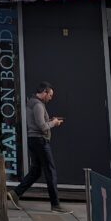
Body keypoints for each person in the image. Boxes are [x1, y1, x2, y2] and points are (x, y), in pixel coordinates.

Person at [12, 81, 69, 213]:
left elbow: (39, 123)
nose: (51, 98)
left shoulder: (32, 103)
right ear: (44, 92)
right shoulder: (38, 105)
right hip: (40, 141)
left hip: (34, 140)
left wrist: (51, 121)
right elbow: (42, 127)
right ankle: (55, 205)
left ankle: (15, 193)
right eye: (50, 95)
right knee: (50, 171)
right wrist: (53, 123)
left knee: (36, 171)